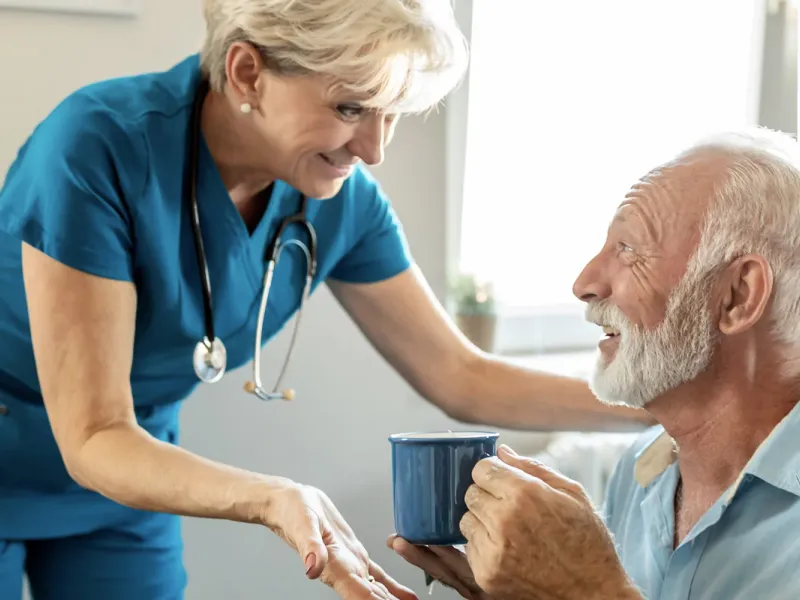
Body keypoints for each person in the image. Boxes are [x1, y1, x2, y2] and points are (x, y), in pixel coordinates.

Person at [0, 1, 651, 599]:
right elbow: (92, 434)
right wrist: (273, 497)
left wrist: (660, 403)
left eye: (392, 112)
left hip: (133, 473)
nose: (374, 148)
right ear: (248, 72)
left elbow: (460, 376)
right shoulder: (98, 146)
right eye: (350, 109)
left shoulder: (342, 198)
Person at [391, 127, 800, 599]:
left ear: (737, 296)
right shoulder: (641, 473)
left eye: (628, 250)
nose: (584, 282)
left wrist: (592, 592)